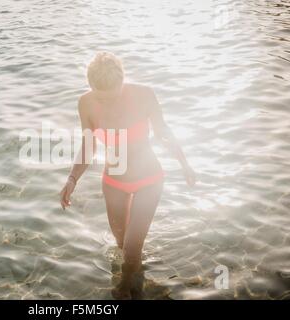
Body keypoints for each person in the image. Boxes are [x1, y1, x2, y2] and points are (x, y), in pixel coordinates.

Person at [59, 52, 196, 299]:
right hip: (114, 181)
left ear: (122, 82)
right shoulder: (86, 103)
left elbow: (163, 132)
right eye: (103, 98)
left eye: (115, 95)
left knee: (132, 249)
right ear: (91, 87)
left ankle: (123, 289)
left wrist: (184, 163)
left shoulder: (144, 95)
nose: (109, 103)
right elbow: (88, 145)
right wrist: (72, 179)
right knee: (122, 243)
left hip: (149, 180)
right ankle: (137, 278)